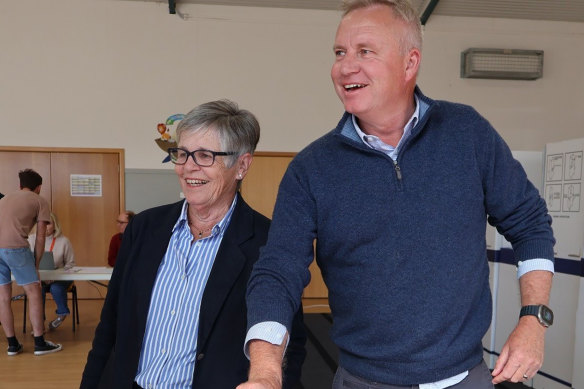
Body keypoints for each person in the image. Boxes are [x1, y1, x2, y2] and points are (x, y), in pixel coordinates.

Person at [240, 1, 555, 388]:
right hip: (362, 381)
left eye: (365, 51)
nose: (345, 66)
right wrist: (266, 372)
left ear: (410, 64)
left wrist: (533, 319)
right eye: (340, 53)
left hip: (465, 378)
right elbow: (278, 271)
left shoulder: (467, 133)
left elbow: (530, 222)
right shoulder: (311, 169)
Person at [81, 99, 306, 388]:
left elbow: (291, 342)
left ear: (241, 165)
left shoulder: (268, 242)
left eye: (204, 156)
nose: (188, 167)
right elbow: (109, 325)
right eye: (182, 154)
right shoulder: (144, 229)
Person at [0, 169, 62, 356]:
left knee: (3, 297)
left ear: (20, 185)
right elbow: (41, 237)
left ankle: (12, 345)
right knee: (34, 292)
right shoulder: (39, 200)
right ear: (39, 187)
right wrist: (35, 263)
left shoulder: (4, 199)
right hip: (16, 248)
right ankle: (39, 343)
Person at [28, 212, 76, 330]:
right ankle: (39, 323)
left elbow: (71, 264)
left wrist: (56, 275)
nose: (44, 226)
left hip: (60, 278)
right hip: (39, 278)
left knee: (56, 288)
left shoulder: (64, 241)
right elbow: (28, 262)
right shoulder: (31, 239)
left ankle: (62, 314)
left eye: (48, 223)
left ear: (55, 225)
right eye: (41, 223)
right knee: (38, 291)